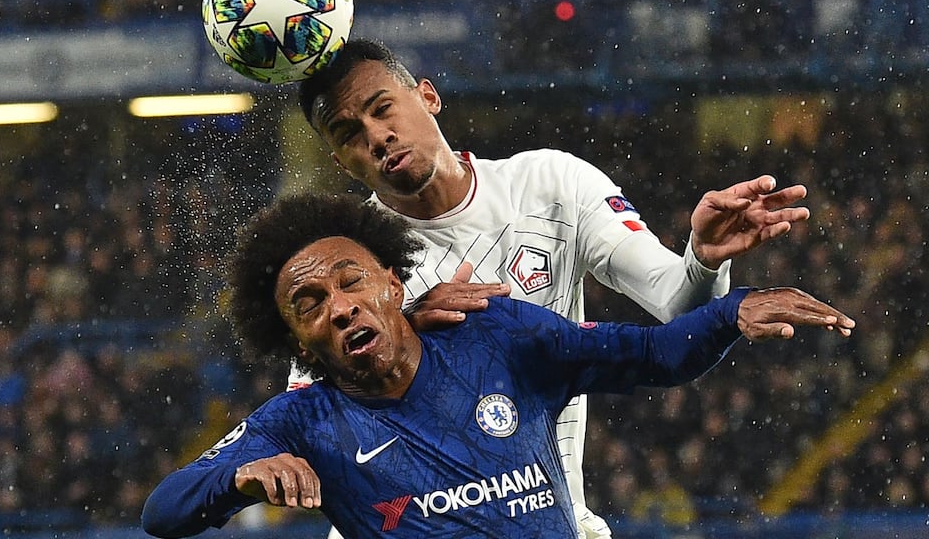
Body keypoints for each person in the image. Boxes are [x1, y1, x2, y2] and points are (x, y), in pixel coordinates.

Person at [291, 39, 812, 537]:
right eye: (348, 134)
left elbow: (679, 307)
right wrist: (402, 334)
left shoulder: (551, 186)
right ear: (342, 162)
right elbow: (310, 441)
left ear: (428, 96)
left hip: (545, 522)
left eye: (383, 109)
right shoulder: (344, 266)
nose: (376, 136)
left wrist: (702, 260)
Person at [141, 193, 854, 538]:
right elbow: (161, 511)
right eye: (310, 304)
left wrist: (732, 311)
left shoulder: (498, 336)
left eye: (351, 282)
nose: (339, 306)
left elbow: (652, 355)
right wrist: (235, 478)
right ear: (299, 343)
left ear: (394, 284)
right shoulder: (300, 422)